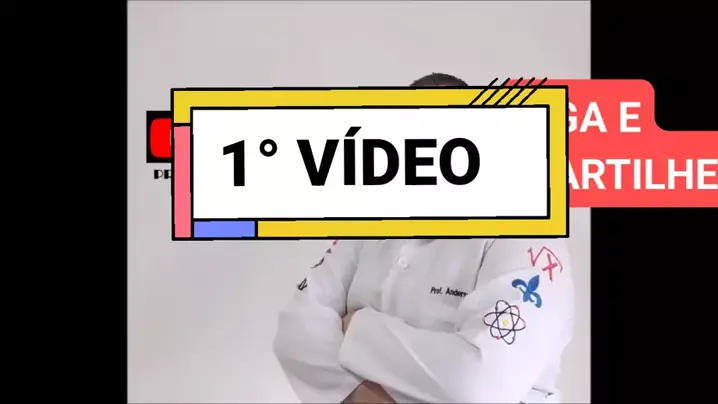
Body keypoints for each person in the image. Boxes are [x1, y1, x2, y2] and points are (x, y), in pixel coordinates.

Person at [272, 73, 575, 404]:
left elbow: (480, 382)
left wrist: (356, 328)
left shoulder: (526, 229)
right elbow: (295, 331)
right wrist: (367, 397)